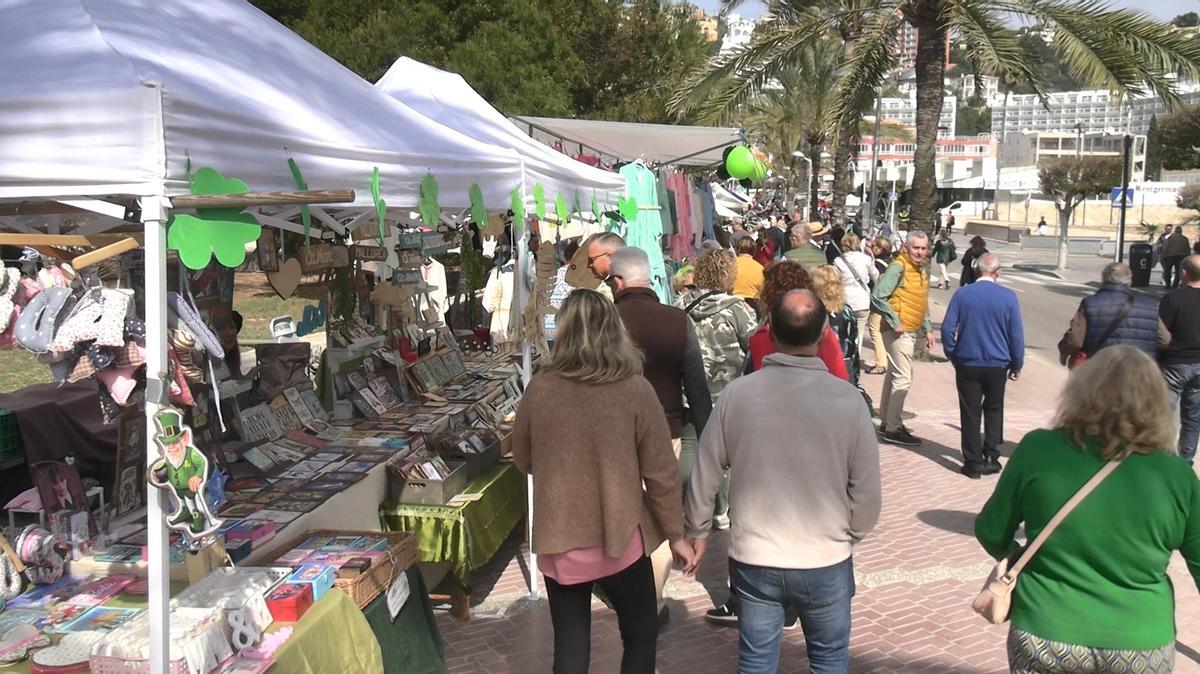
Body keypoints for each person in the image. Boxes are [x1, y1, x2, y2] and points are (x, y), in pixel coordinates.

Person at [685, 289, 881, 674]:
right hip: (825, 556)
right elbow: (868, 492)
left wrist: (697, 527)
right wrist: (849, 532)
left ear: (769, 329)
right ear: (826, 331)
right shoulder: (847, 400)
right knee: (829, 661)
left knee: (757, 662)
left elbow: (706, 469)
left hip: (756, 557)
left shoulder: (737, 395)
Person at [975, 346, 1200, 674]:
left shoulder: (1038, 449)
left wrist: (1023, 558)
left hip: (1046, 629)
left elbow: (991, 531)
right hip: (1140, 641)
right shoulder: (1176, 474)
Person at [512, 289, 694, 674]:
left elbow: (523, 459)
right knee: (641, 633)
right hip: (620, 536)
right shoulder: (634, 389)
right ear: (615, 331)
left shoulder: (540, 389)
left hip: (560, 538)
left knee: (571, 650)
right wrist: (676, 534)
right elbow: (661, 472)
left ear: (562, 332)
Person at [611, 247, 714, 619]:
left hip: (614, 436)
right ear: (649, 278)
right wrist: (708, 439)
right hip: (667, 431)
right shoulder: (677, 320)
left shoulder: (607, 320)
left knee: (622, 516)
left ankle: (628, 595)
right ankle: (650, 603)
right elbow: (697, 386)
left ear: (617, 281)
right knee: (659, 517)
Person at [940, 253, 1024, 478]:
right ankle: (991, 456)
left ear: (977, 270)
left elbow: (947, 328)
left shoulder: (963, 294)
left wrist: (953, 353)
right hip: (997, 364)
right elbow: (1016, 334)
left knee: (970, 411)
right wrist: (1017, 364)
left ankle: (973, 462)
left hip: (968, 361)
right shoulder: (1008, 297)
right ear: (998, 272)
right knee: (994, 409)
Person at [872, 230, 935, 447]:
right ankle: (893, 428)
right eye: (915, 247)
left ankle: (887, 422)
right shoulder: (898, 266)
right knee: (903, 378)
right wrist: (894, 320)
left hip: (908, 328)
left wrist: (927, 329)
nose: (919, 252)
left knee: (894, 374)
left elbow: (922, 301)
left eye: (923, 248)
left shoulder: (920, 271)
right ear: (906, 248)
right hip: (898, 330)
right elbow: (878, 295)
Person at [675, 250, 757, 401]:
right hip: (732, 395)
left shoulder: (679, 305)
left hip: (691, 397)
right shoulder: (737, 309)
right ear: (728, 275)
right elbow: (754, 347)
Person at [1060, 262, 1160, 362]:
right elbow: (1164, 340)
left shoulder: (1090, 303)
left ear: (1103, 279)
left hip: (1101, 368)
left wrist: (1064, 352)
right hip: (1138, 368)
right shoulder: (1150, 306)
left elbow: (1075, 340)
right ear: (1129, 282)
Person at [1158, 254, 1200, 464]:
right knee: (1193, 417)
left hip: (1176, 362)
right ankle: (1186, 460)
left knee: (1165, 413)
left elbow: (1161, 333)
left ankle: (1163, 457)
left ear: (1183, 273)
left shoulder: (1172, 298)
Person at [832, 233, 878, 366]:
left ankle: (842, 360)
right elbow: (875, 275)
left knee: (843, 333)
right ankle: (854, 361)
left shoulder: (838, 261)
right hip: (862, 301)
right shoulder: (866, 259)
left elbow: (835, 281)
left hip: (845, 301)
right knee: (859, 333)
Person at [813, 265, 861, 386]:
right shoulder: (846, 311)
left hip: (817, 366)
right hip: (843, 366)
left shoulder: (812, 311)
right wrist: (855, 375)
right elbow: (853, 347)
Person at [865, 236, 894, 375]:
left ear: (880, 248)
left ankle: (881, 363)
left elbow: (872, 283)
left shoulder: (878, 264)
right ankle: (885, 360)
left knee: (874, 330)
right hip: (890, 300)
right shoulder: (892, 261)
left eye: (874, 246)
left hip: (879, 301)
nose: (872, 248)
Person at [585, 231, 626, 298]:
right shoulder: (640, 280)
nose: (589, 265)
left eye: (592, 260)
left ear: (611, 256)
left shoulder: (608, 291)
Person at [731, 236, 765, 307]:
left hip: (732, 302)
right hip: (753, 304)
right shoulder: (760, 268)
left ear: (738, 249)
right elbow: (763, 290)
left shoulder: (730, 265)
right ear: (754, 250)